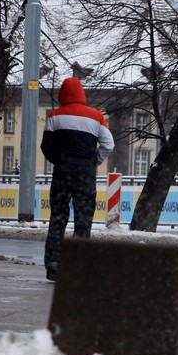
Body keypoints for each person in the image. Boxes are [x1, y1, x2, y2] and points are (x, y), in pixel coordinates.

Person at [40, 77, 115, 281]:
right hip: (85, 175)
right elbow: (109, 144)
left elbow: (46, 147)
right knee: (83, 220)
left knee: (58, 218)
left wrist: (61, 161)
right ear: (82, 94)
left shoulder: (55, 116)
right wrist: (94, 161)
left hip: (62, 174)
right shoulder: (96, 116)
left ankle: (54, 264)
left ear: (62, 95)